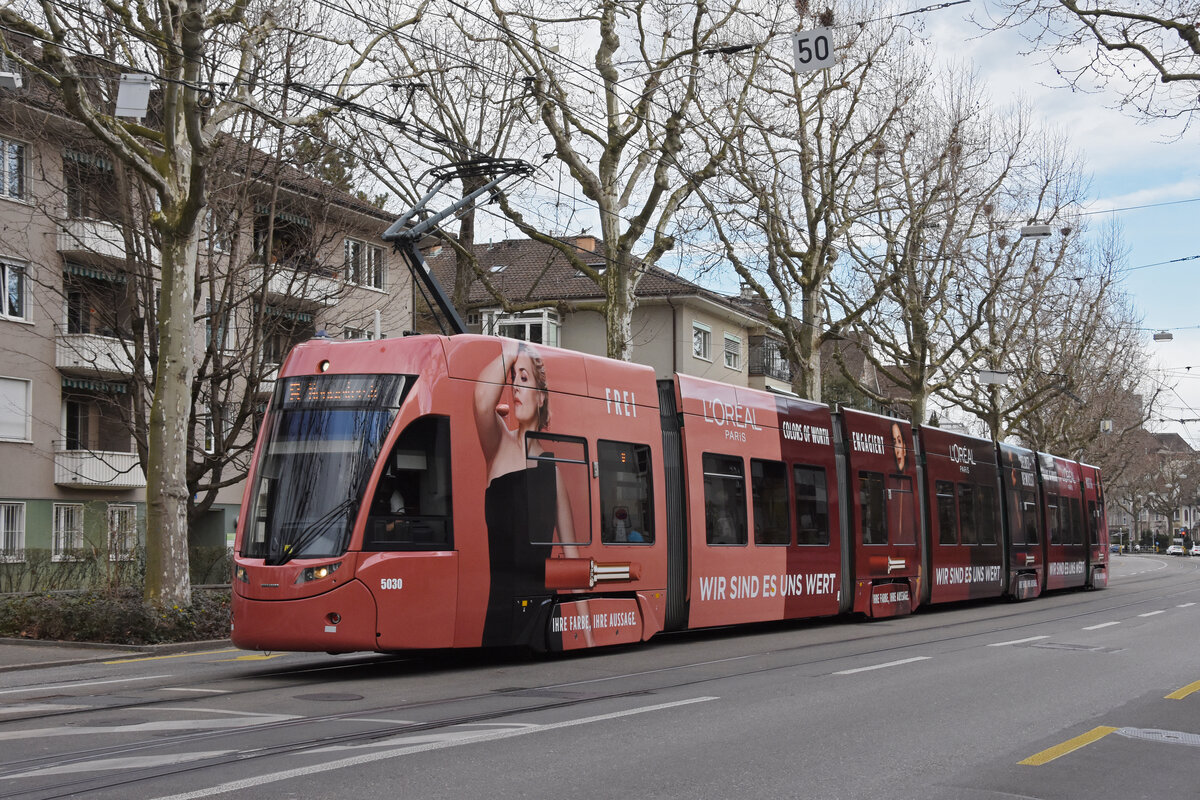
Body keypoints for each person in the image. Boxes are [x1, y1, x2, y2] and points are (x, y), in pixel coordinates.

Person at [474, 340, 578, 646]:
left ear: (541, 396)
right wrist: (511, 349)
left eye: (523, 379)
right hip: (498, 611)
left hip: (541, 614)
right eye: (512, 379)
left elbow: (572, 555)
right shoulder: (498, 444)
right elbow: (481, 399)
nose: (515, 388)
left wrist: (586, 630)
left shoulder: (553, 471)